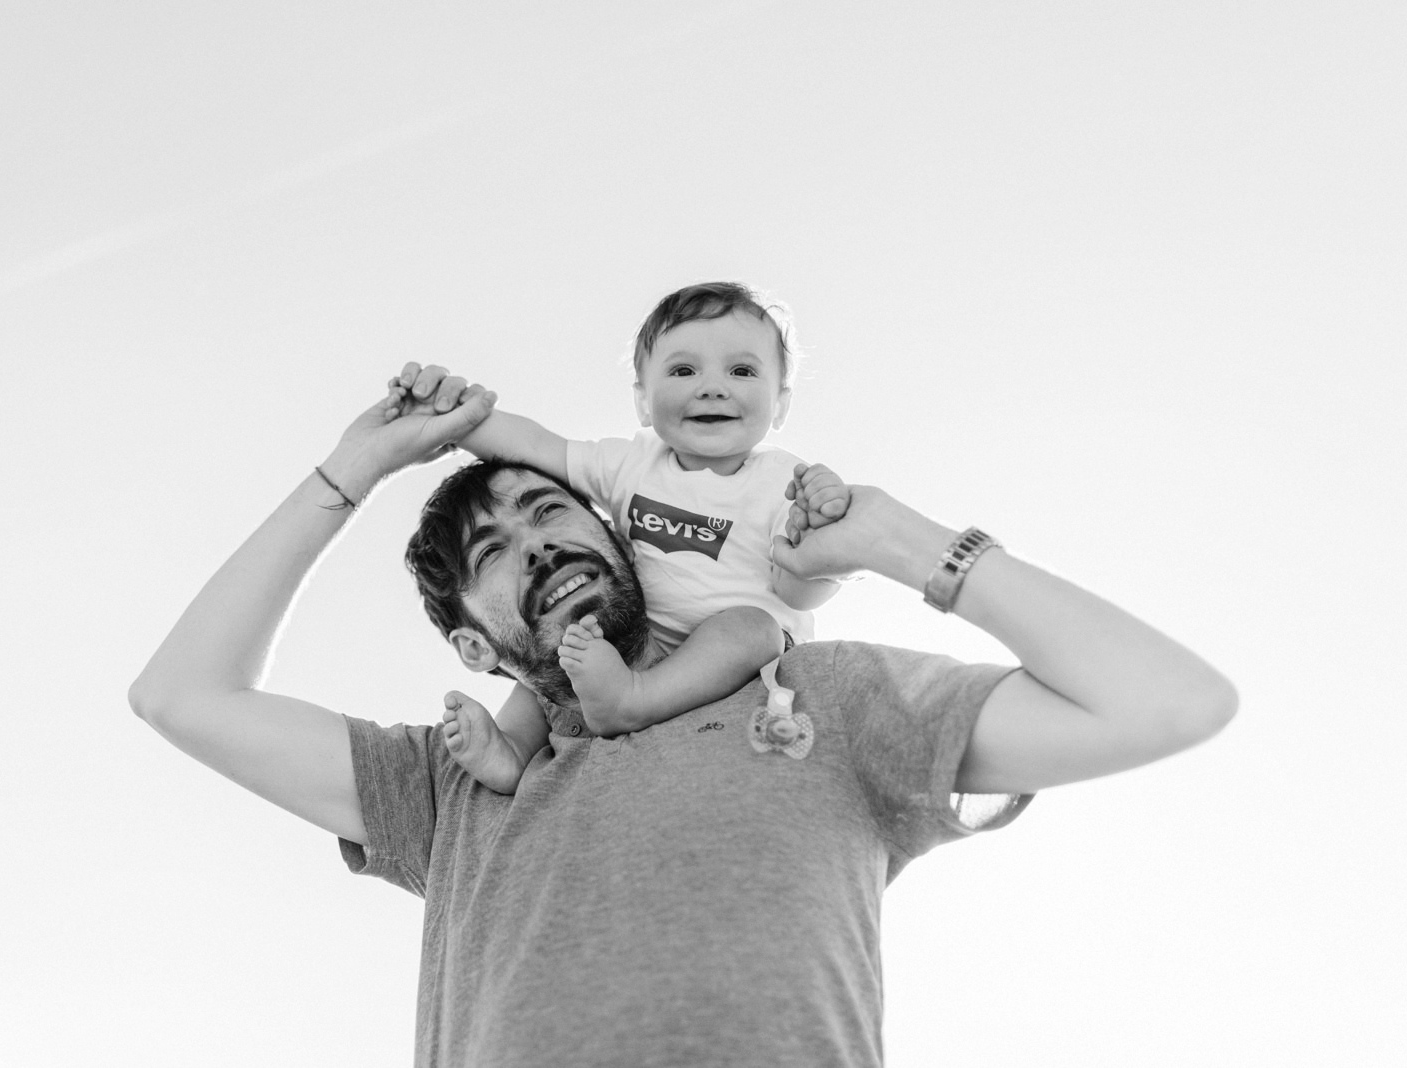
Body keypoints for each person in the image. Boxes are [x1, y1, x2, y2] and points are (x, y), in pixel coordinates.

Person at [129, 367, 1236, 1067]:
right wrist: (355, 465)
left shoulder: (816, 700)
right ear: (472, 646)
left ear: (616, 535)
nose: (539, 546)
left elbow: (1169, 703)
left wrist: (901, 542)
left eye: (549, 512)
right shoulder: (451, 789)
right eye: (494, 556)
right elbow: (183, 695)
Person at [391, 282, 852, 795]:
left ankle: (631, 703)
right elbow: (538, 447)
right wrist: (451, 418)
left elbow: (798, 591)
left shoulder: (781, 481)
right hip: (644, 639)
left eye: (742, 371)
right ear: (642, 400)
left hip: (741, 656)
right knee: (555, 654)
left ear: (781, 403)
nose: (712, 387)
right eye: (683, 371)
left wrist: (818, 535)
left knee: (752, 627)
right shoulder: (633, 464)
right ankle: (511, 752)